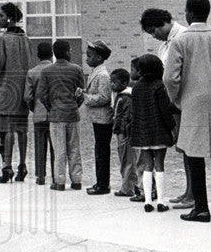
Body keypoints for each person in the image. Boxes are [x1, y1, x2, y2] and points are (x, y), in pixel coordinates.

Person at [163, 0, 211, 223]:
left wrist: (177, 98)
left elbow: (170, 78)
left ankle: (201, 207)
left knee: (194, 155)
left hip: (191, 102)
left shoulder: (180, 41)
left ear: (188, 13)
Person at [140, 8, 193, 208]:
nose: (153, 36)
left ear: (163, 23)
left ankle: (193, 193)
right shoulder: (165, 45)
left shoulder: (183, 37)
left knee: (189, 148)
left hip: (182, 100)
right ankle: (188, 190)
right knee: (182, 148)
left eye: (154, 31)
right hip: (171, 102)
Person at [0, 2, 33, 183]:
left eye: (2, 16)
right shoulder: (26, 40)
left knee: (7, 130)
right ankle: (22, 165)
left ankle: (7, 167)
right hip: (22, 90)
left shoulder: (4, 40)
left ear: (10, 18)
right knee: (22, 129)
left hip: (6, 90)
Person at [36, 39, 85, 191]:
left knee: (59, 150)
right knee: (74, 148)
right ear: (67, 52)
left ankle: (60, 181)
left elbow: (41, 94)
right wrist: (75, 104)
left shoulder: (47, 71)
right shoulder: (77, 69)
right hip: (72, 113)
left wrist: (50, 107)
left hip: (56, 115)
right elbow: (81, 92)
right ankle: (76, 179)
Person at [129, 54, 175, 213]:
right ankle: (161, 201)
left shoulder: (136, 87)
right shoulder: (159, 86)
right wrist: (171, 126)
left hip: (142, 131)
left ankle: (148, 200)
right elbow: (165, 111)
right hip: (159, 131)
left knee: (147, 166)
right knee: (159, 165)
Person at [79, 40, 113, 195]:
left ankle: (103, 184)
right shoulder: (95, 72)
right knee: (100, 150)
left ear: (99, 58)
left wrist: (86, 97)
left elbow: (104, 97)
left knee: (102, 151)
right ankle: (100, 182)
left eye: (90, 56)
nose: (87, 59)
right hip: (97, 118)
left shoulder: (103, 75)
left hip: (103, 118)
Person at [23, 41, 55, 186]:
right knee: (56, 146)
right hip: (55, 114)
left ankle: (40, 176)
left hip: (39, 113)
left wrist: (33, 107)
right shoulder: (56, 70)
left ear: (38, 55)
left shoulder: (32, 72)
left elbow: (27, 96)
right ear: (52, 54)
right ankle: (56, 175)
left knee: (39, 146)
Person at [110, 68, 139, 197]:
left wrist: (122, 131)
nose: (111, 84)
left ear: (123, 84)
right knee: (126, 159)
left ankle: (127, 188)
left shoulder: (126, 98)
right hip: (121, 132)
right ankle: (132, 185)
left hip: (124, 134)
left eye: (114, 82)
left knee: (127, 160)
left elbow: (126, 116)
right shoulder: (121, 96)